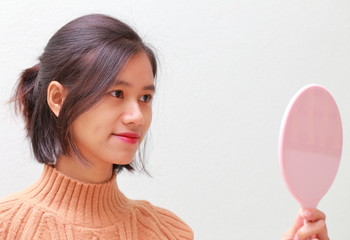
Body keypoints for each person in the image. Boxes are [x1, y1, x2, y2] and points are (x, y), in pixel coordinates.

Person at [0, 14, 329, 240]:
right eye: (117, 93)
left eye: (145, 97)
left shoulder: (167, 232)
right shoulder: (8, 226)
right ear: (57, 98)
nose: (137, 116)